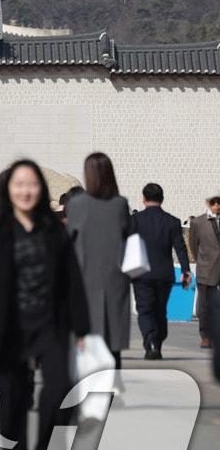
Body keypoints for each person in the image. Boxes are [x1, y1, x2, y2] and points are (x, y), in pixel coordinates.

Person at [0, 160, 91, 450]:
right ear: (8, 190)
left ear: (40, 190)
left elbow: (73, 282)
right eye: (19, 185)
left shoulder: (55, 230)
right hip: (5, 329)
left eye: (31, 185)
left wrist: (82, 329)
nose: (25, 191)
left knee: (60, 391)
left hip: (50, 324)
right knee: (11, 402)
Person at [66, 153, 133, 366]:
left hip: (84, 279)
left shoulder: (77, 205)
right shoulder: (120, 205)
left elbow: (69, 242)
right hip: (115, 279)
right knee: (113, 342)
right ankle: (111, 387)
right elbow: (128, 236)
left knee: (86, 340)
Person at [132, 183, 191, 359]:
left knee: (145, 309)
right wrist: (186, 270)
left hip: (141, 273)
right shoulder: (172, 221)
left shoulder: (135, 220)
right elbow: (181, 248)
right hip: (164, 274)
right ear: (162, 199)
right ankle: (157, 342)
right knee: (160, 309)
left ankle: (151, 342)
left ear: (143, 199)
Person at [188, 196, 220, 349]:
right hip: (206, 268)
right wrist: (202, 261)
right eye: (215, 203)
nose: (217, 206)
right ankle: (205, 336)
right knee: (205, 304)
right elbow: (193, 246)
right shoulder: (198, 223)